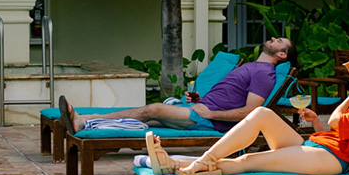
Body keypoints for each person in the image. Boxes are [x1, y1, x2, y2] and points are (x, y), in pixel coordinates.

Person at [146, 54, 349, 175]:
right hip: (317, 148)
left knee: (250, 161)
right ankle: (196, 163)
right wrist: (314, 122)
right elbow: (335, 132)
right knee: (262, 114)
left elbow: (336, 122)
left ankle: (181, 167)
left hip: (332, 161)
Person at [63, 37, 293, 133]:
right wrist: (200, 100)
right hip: (200, 110)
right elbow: (230, 95)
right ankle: (87, 120)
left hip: (209, 120)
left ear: (282, 55)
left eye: (279, 41)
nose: (273, 39)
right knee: (149, 119)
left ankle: (82, 120)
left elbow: (252, 111)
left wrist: (212, 112)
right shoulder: (253, 66)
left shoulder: (265, 73)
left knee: (151, 109)